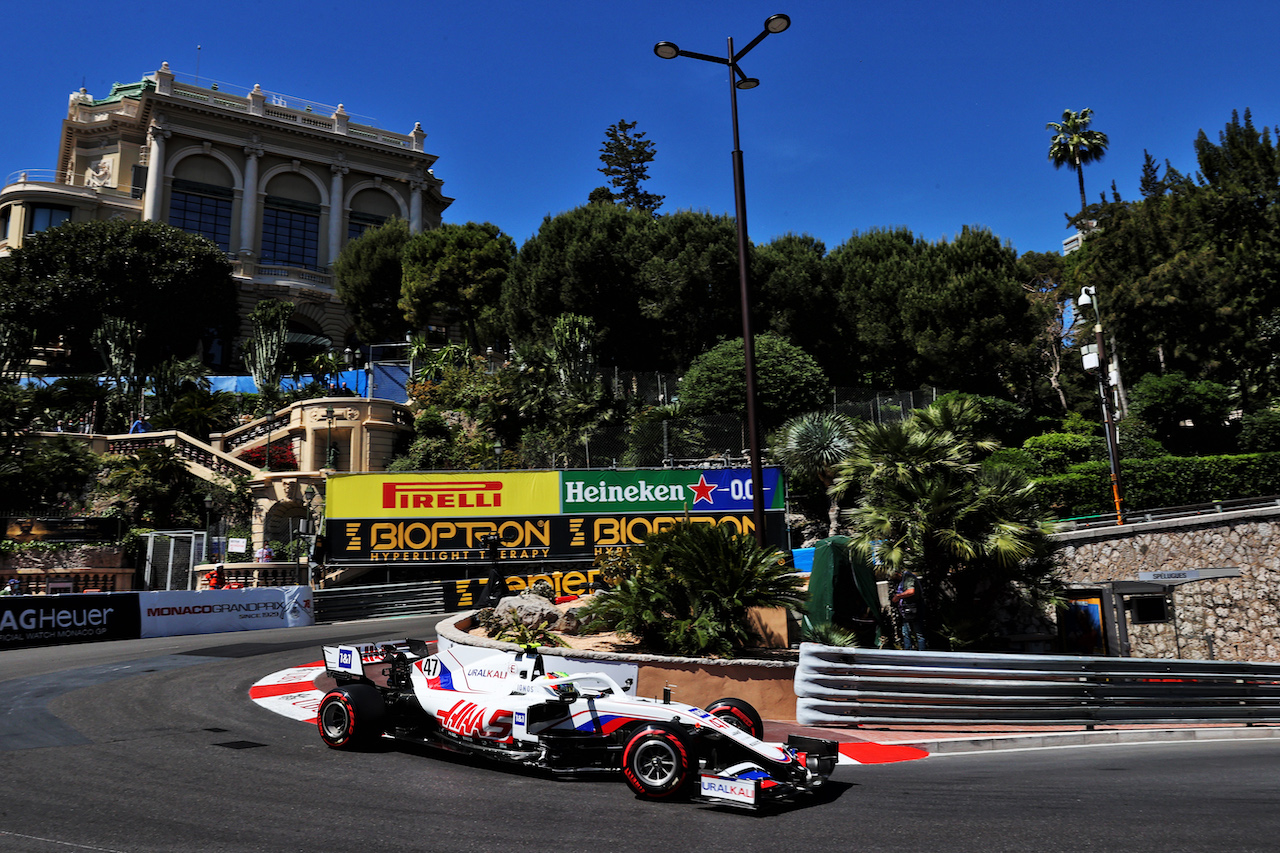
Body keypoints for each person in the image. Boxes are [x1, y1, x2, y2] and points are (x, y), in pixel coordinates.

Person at [890, 568, 927, 651]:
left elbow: (911, 591)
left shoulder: (908, 577)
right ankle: (908, 652)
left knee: (918, 633)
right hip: (905, 611)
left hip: (914, 609)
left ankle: (922, 653)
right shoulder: (901, 580)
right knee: (905, 632)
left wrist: (898, 596)